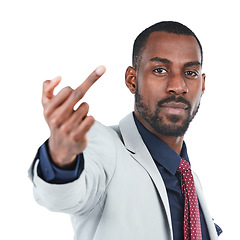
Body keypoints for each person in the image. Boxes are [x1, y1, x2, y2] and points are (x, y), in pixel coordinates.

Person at [29, 21, 222, 240]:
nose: (178, 85)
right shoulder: (104, 147)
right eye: (160, 70)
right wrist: (61, 158)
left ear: (203, 85)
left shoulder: (190, 180)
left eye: (190, 72)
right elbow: (61, 198)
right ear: (132, 80)